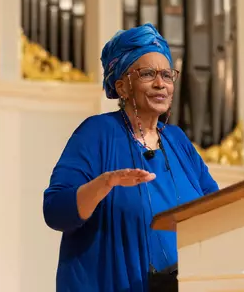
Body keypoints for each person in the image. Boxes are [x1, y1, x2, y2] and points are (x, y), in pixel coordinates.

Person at [43, 23, 220, 292]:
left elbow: (215, 208)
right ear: (122, 87)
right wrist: (104, 184)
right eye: (148, 74)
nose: (161, 84)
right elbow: (55, 210)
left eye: (167, 75)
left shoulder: (178, 141)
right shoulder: (97, 134)